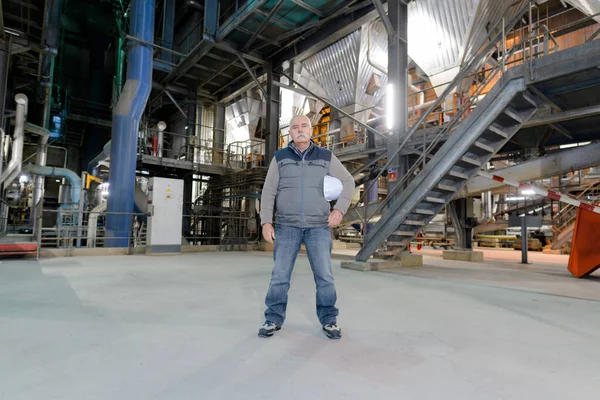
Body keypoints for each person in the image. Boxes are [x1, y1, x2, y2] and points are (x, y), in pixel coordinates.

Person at [258, 114, 355, 340]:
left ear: (311, 130)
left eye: (303, 126)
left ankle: (329, 320)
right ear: (289, 133)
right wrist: (266, 221)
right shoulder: (280, 157)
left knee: (325, 277)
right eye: (294, 127)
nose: (299, 130)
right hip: (286, 226)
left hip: (318, 227)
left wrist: (339, 209)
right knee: (280, 276)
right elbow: (268, 191)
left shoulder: (326, 156)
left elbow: (348, 181)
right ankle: (273, 317)